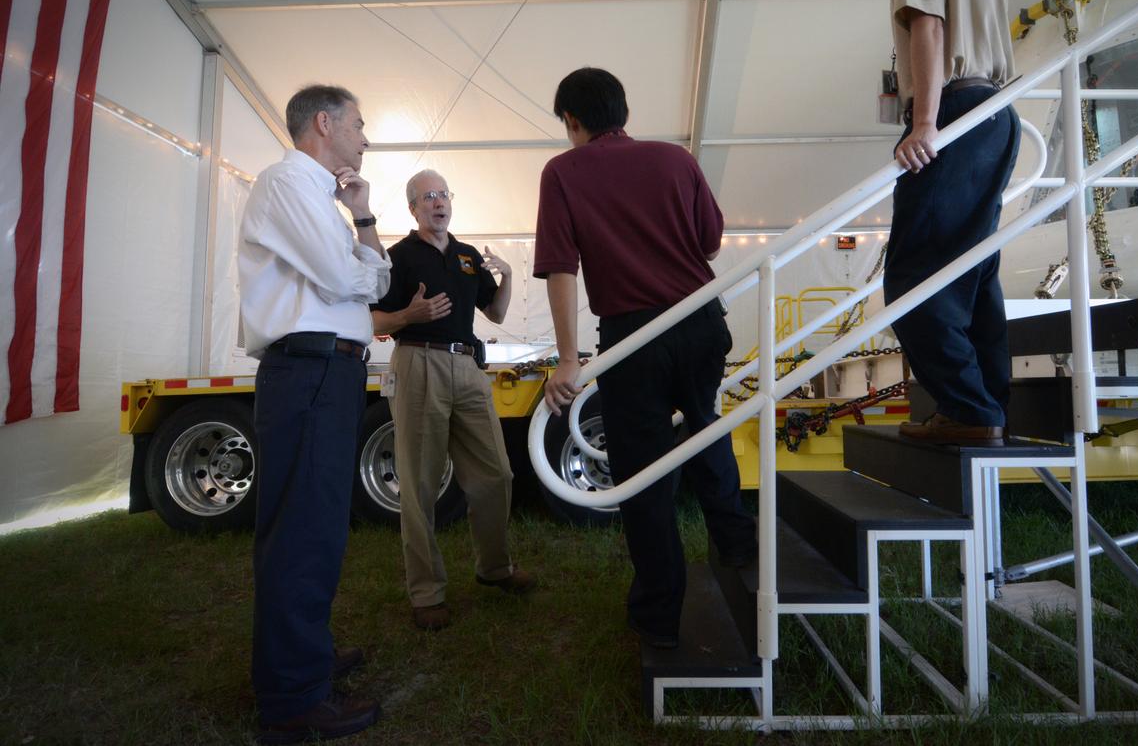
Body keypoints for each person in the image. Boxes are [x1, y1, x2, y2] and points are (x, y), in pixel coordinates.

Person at [534, 67, 756, 649]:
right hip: (701, 320)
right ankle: (737, 543)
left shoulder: (562, 172)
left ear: (573, 121)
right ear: (623, 111)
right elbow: (709, 241)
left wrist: (566, 359)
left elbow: (561, 268)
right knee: (708, 429)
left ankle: (659, 613)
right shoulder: (675, 159)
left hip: (633, 337)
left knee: (642, 473)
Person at [238, 85, 388, 742]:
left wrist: (360, 218)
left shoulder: (323, 198)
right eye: (358, 124)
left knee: (319, 525)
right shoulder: (286, 182)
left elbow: (376, 279)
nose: (364, 137)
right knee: (301, 529)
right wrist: (357, 259)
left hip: (329, 369)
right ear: (324, 123)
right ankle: (292, 697)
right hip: (308, 367)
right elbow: (345, 279)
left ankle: (303, 660)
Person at [858, 0, 1020, 445]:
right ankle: (986, 406)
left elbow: (929, 20)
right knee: (973, 273)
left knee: (911, 278)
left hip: (952, 112)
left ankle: (969, 409)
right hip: (995, 109)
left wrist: (923, 120)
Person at [372, 169, 536, 631]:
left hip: (467, 367)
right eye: (428, 197)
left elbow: (497, 313)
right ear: (413, 208)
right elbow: (372, 320)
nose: (438, 202)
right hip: (418, 363)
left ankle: (494, 567)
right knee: (420, 483)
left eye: (443, 194)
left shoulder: (467, 257)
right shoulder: (398, 257)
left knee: (497, 473)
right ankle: (426, 592)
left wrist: (504, 278)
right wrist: (409, 314)